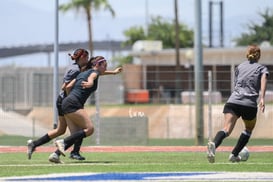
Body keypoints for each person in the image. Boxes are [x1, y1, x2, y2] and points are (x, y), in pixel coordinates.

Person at [48, 56, 122, 163]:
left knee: (76, 135)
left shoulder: (83, 73)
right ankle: (62, 142)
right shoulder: (93, 74)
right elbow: (93, 77)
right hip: (74, 104)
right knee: (89, 129)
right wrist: (90, 83)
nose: (106, 68)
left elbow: (68, 87)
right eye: (104, 65)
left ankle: (55, 155)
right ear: (96, 65)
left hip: (66, 103)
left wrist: (114, 73)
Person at [207, 45, 269, 163]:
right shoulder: (261, 68)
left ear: (247, 54)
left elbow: (236, 83)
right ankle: (234, 154)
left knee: (226, 129)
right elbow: (264, 79)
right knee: (248, 129)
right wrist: (262, 98)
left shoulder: (239, 67)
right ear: (259, 56)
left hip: (233, 101)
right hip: (249, 104)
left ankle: (214, 144)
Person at [27, 48, 90, 161]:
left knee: (60, 130)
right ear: (82, 58)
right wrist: (73, 99)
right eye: (87, 57)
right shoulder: (75, 70)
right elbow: (65, 87)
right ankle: (70, 153)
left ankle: (35, 144)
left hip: (63, 100)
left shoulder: (77, 67)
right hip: (66, 101)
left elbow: (96, 71)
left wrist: (113, 72)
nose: (88, 59)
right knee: (78, 131)